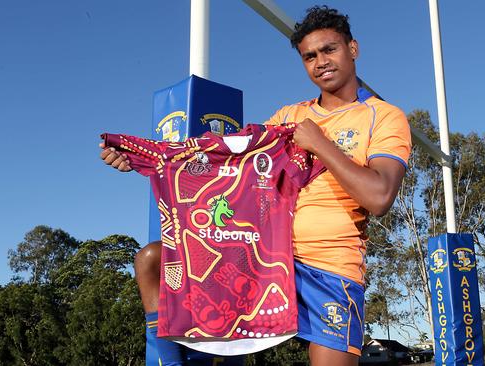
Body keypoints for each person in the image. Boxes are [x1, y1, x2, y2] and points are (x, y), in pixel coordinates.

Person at [100, 6, 410, 366]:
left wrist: (320, 144)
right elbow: (229, 164)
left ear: (353, 49)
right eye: (310, 56)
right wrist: (148, 160)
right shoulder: (287, 117)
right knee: (152, 260)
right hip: (260, 258)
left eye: (330, 49)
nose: (321, 62)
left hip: (330, 268)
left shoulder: (383, 116)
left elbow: (379, 196)